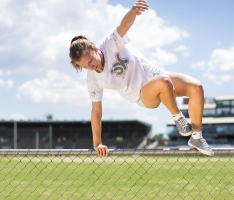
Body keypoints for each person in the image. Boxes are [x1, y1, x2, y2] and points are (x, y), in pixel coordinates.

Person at [69, 0, 214, 157]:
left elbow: (123, 26)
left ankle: (197, 138)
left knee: (196, 87)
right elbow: (96, 111)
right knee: (164, 82)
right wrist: (97, 143)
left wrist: (133, 11)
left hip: (155, 74)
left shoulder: (110, 43)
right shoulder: (93, 79)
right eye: (86, 67)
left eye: (91, 61)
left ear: (95, 49)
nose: (92, 67)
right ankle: (179, 119)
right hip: (141, 94)